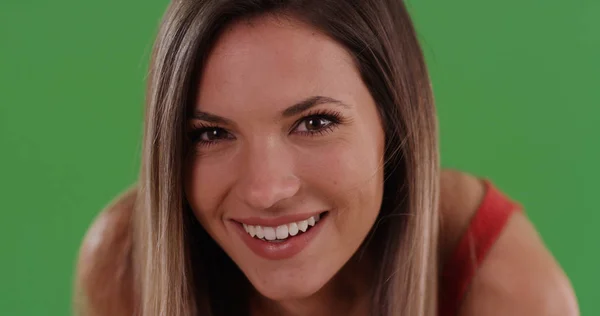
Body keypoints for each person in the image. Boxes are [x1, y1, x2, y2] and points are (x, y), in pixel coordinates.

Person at [74, 1, 578, 315]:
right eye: (210, 133)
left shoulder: (507, 290)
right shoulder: (125, 270)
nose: (265, 189)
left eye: (315, 123)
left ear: (394, 123)